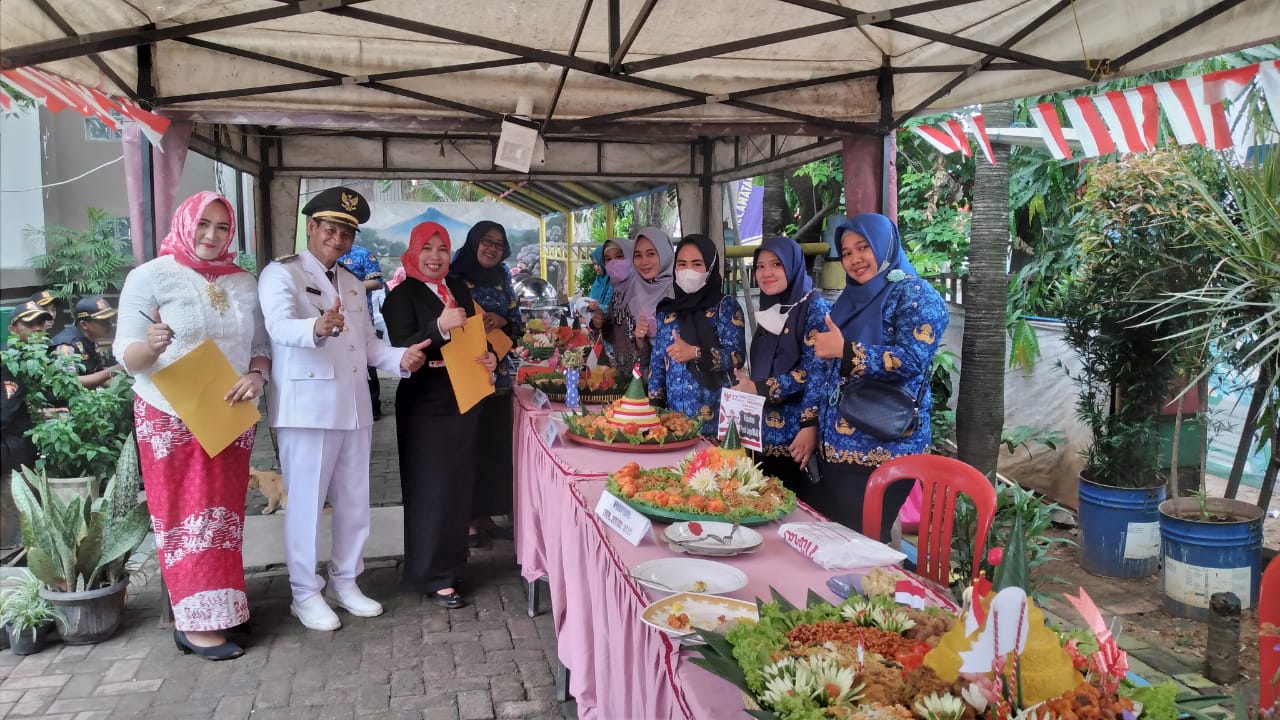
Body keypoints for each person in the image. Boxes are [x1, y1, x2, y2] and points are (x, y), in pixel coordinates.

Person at [258, 186, 431, 632]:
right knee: (307, 505)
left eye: (347, 233)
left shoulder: (352, 282)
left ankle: (346, 581)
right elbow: (278, 326)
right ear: (312, 227)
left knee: (355, 501)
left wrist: (401, 359)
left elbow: (369, 346)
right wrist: (316, 325)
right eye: (331, 230)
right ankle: (304, 593)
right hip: (308, 407)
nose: (338, 239)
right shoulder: (283, 275)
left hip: (354, 406)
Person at [112, 191, 270, 660]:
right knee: (186, 519)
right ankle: (195, 624)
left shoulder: (243, 281)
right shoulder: (151, 276)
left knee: (222, 519)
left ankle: (223, 608)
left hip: (229, 413)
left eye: (223, 227)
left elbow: (260, 345)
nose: (211, 235)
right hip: (170, 414)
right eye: (204, 223)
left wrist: (256, 375)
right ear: (186, 222)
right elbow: (127, 357)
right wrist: (154, 345)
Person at [810, 213, 949, 541]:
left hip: (884, 448)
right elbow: (824, 366)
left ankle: (877, 591)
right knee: (838, 541)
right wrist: (810, 426)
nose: (855, 259)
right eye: (846, 253)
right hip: (835, 449)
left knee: (865, 542)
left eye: (863, 247)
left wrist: (847, 352)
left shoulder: (915, 294)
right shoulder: (847, 301)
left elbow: (912, 358)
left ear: (884, 246)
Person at [383, 221, 498, 610]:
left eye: (442, 249)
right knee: (431, 488)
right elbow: (401, 349)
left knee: (457, 487)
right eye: (427, 248)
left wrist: (491, 355)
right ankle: (431, 575)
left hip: (463, 399)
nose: (435, 257)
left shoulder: (458, 290)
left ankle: (451, 567)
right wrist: (438, 327)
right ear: (414, 252)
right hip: (424, 404)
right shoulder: (401, 296)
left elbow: (477, 335)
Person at [731, 236, 832, 495]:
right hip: (760, 435)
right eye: (760, 266)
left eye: (776, 264)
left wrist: (760, 387)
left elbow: (813, 373)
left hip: (795, 439)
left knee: (790, 515)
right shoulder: (772, 309)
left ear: (793, 265)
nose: (766, 273)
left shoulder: (815, 308)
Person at [448, 221, 519, 547]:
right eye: (486, 242)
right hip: (468, 375)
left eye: (499, 244)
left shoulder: (504, 277)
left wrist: (502, 319)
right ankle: (468, 521)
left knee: (495, 448)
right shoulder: (452, 277)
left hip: (500, 376)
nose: (492, 248)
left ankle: (488, 515)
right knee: (469, 448)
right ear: (474, 242)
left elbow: (517, 322)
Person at [647, 234, 746, 437]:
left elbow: (737, 356)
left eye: (697, 264)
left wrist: (695, 352)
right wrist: (654, 413)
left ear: (710, 268)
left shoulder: (725, 307)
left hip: (717, 427)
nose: (688, 270)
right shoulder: (667, 311)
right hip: (673, 425)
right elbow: (657, 366)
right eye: (682, 264)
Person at [2, 301, 53, 553]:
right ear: (13, 328)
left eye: (40, 323)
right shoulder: (9, 363)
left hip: (21, 448)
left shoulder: (30, 360)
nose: (37, 329)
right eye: (29, 324)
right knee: (16, 532)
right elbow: (4, 413)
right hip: (11, 454)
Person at [591, 227, 674, 370]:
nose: (644, 262)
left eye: (651, 254)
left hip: (670, 380)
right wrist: (599, 323)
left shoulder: (677, 293)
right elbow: (617, 334)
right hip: (632, 374)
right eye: (608, 259)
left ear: (664, 253)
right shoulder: (619, 294)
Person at [338, 242, 387, 419]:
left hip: (360, 316)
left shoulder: (363, 254)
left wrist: (350, 288)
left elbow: (378, 282)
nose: (338, 239)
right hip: (330, 318)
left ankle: (374, 406)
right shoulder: (322, 257)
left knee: (367, 360)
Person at [49, 296, 121, 391]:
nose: (109, 324)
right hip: (62, 404)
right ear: (84, 325)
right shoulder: (66, 346)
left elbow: (97, 376)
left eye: (109, 319)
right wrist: (113, 370)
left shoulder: (90, 338)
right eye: (103, 321)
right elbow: (70, 382)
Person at [586, 244, 614, 312]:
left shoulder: (613, 281)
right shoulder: (598, 280)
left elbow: (613, 310)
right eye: (594, 264)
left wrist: (599, 307)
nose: (596, 268)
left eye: (598, 264)